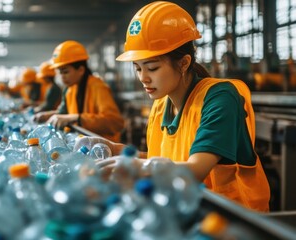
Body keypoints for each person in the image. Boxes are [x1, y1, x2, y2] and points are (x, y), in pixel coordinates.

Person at [75, 1, 270, 212]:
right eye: (138, 68)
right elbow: (163, 162)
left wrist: (140, 167)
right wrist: (116, 150)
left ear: (184, 63)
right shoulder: (161, 105)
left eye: (152, 68)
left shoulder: (220, 98)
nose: (143, 78)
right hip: (186, 214)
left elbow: (195, 170)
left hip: (232, 224)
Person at [34, 40, 124, 142]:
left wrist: (77, 118)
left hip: (104, 149)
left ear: (81, 70)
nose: (62, 77)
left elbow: (115, 122)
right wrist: (47, 115)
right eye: (60, 72)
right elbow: (64, 114)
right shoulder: (70, 89)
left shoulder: (97, 87)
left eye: (66, 72)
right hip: (84, 144)